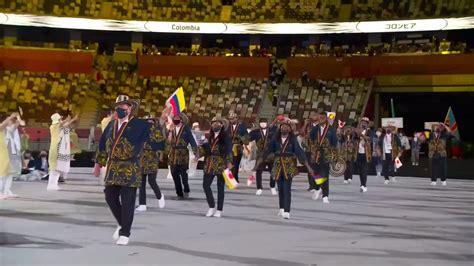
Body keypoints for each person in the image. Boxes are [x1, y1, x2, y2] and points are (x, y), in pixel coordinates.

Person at [94, 95, 151, 246]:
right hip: (113, 167)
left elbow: (145, 142)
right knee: (109, 196)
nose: (120, 109)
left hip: (130, 167)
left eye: (123, 106)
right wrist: (98, 163)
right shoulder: (111, 125)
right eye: (118, 106)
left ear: (130, 107)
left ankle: (125, 233)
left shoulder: (140, 125)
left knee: (128, 201)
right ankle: (121, 223)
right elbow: (102, 144)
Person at [260, 118, 314, 219]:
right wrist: (260, 161)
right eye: (282, 126)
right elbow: (267, 151)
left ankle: (287, 210)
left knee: (287, 189)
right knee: (280, 188)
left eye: (286, 126)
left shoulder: (293, 140)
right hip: (277, 165)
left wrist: (308, 167)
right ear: (280, 128)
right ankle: (281, 208)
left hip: (288, 166)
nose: (284, 128)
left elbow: (299, 153)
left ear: (289, 129)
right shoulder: (275, 140)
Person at [200, 117, 233, 218]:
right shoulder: (208, 136)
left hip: (220, 163)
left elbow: (229, 150)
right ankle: (211, 206)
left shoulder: (226, 137)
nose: (215, 125)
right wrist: (198, 154)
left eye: (217, 123)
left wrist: (229, 162)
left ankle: (219, 209)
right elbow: (204, 150)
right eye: (213, 123)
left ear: (222, 125)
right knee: (205, 185)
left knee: (220, 188)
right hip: (209, 163)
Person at [136, 113, 167, 212]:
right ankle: (142, 204)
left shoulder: (157, 132)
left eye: (151, 121)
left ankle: (159, 196)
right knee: (141, 183)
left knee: (152, 181)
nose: (149, 122)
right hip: (142, 159)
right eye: (147, 121)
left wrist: (159, 152)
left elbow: (162, 144)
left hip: (152, 159)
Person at [166, 113, 198, 199]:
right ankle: (179, 194)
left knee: (184, 175)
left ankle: (186, 189)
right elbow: (168, 141)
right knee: (174, 174)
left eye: (177, 119)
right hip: (173, 154)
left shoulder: (186, 129)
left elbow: (192, 141)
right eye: (174, 119)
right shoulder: (171, 129)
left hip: (183, 154)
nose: (175, 120)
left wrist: (196, 153)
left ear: (181, 120)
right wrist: (169, 131)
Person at [310, 112, 337, 203]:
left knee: (325, 174)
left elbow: (334, 142)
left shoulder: (331, 129)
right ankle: (317, 188)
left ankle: (325, 195)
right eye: (319, 117)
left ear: (326, 118)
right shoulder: (315, 129)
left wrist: (334, 155)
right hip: (316, 154)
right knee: (316, 173)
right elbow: (311, 138)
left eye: (322, 117)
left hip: (326, 154)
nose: (321, 119)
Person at [47, 112, 78, 191]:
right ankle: (51, 185)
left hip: (59, 149)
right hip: (55, 149)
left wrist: (72, 120)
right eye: (60, 119)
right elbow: (62, 125)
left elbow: (65, 126)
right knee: (54, 168)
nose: (61, 120)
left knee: (58, 168)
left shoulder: (60, 127)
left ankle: (54, 185)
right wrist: (70, 119)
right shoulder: (53, 126)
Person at [248, 118, 277, 196]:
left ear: (267, 123)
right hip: (260, 155)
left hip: (271, 155)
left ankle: (272, 186)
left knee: (273, 172)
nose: (263, 124)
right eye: (261, 122)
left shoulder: (273, 131)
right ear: (259, 123)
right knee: (258, 171)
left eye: (264, 122)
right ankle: (259, 188)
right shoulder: (255, 132)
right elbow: (248, 139)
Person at [0, 113, 23, 199]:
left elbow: (17, 124)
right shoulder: (2, 127)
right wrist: (10, 116)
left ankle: (6, 191)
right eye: (9, 120)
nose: (10, 121)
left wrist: (18, 117)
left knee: (9, 173)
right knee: (2, 174)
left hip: (6, 153)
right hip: (2, 153)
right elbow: (3, 125)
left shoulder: (7, 129)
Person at [227, 112, 249, 183]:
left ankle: (235, 178)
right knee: (229, 163)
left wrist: (241, 138)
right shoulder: (226, 127)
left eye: (233, 118)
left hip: (238, 147)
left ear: (236, 118)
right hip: (229, 147)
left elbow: (246, 139)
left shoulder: (242, 127)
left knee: (236, 164)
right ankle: (231, 178)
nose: (231, 120)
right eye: (230, 119)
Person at [354, 117, 373, 193]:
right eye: (362, 122)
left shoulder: (370, 132)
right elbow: (354, 139)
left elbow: (369, 139)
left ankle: (364, 185)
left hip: (366, 154)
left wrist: (361, 135)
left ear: (367, 124)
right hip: (358, 153)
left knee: (364, 170)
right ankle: (362, 184)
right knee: (360, 171)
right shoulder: (358, 131)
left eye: (365, 123)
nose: (363, 124)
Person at [301, 111, 319, 191]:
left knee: (317, 168)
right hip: (308, 149)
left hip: (317, 150)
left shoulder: (321, 126)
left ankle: (318, 185)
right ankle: (311, 185)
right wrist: (305, 124)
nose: (313, 116)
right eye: (312, 115)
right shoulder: (308, 126)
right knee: (310, 168)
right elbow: (301, 133)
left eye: (315, 115)